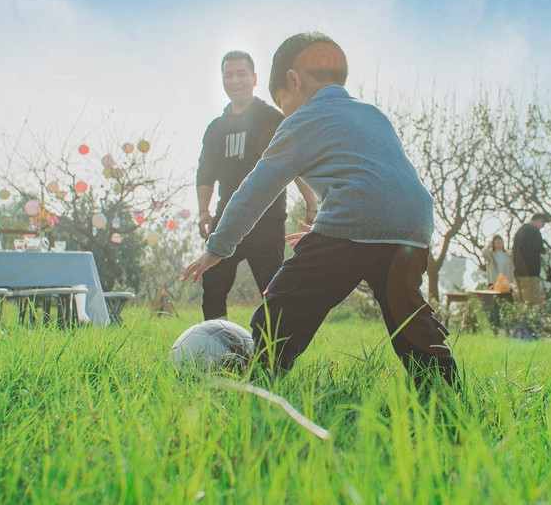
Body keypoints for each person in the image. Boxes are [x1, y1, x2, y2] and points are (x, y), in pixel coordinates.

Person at [183, 32, 458, 388]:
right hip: (412, 224)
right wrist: (327, 227)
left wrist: (217, 247)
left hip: (353, 221)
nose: (285, 112)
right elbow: (376, 181)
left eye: (282, 102)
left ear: (293, 81)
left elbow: (255, 189)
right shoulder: (373, 115)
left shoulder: (300, 121)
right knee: (408, 317)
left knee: (288, 300)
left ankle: (257, 379)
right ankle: (445, 393)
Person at [195, 49, 317, 320]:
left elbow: (296, 163)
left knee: (273, 289)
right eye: (229, 75)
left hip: (267, 220)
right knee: (213, 286)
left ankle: (271, 356)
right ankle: (218, 348)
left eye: (241, 74)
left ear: (254, 78)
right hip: (226, 219)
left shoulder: (273, 119)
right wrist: (204, 211)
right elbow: (205, 173)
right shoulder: (216, 128)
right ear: (222, 80)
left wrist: (312, 203)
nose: (235, 80)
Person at [512, 213, 548, 306]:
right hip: (530, 273)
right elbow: (538, 247)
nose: (541, 227)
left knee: (521, 302)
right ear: (540, 221)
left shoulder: (519, 231)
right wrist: (544, 250)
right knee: (533, 304)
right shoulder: (534, 231)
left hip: (518, 272)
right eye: (542, 225)